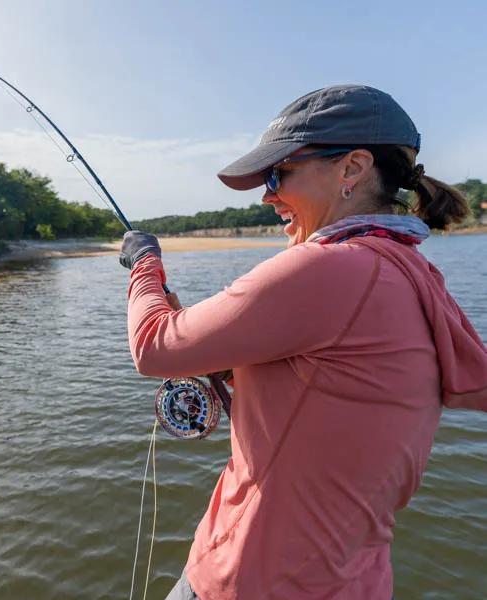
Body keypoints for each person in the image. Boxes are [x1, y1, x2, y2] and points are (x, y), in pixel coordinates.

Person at [119, 84, 487, 600]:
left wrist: (143, 265)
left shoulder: (332, 267)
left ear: (352, 169)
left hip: (249, 579)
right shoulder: (413, 274)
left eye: (278, 174)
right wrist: (242, 371)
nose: (267, 195)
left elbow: (153, 345)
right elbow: (338, 398)